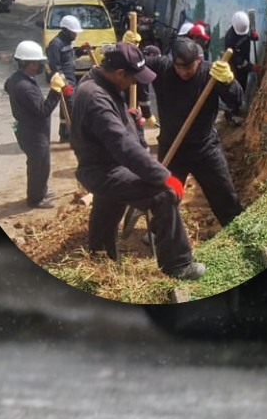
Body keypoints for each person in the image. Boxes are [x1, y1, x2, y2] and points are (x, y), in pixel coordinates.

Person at [70, 42, 205, 279]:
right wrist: (164, 177)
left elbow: (113, 127)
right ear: (120, 73)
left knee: (110, 203)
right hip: (103, 169)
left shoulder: (99, 81)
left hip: (104, 164)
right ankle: (179, 265)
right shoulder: (96, 98)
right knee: (163, 195)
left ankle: (101, 256)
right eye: (134, 78)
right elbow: (122, 146)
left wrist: (127, 118)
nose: (136, 83)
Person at [132, 31, 244, 228]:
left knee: (224, 194)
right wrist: (131, 50)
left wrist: (229, 82)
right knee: (166, 196)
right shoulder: (162, 67)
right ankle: (160, 233)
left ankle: (235, 229)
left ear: (198, 61)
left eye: (189, 67)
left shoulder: (210, 74)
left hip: (205, 148)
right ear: (172, 62)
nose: (184, 72)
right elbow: (135, 66)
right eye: (180, 68)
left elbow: (236, 102)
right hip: (172, 148)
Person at [5, 40, 68, 209]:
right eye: (38, 63)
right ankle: (35, 199)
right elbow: (43, 111)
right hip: (33, 132)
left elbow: (6, 87)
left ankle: (41, 190)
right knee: (38, 165)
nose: (41, 66)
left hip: (29, 129)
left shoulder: (15, 79)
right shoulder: (25, 87)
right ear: (28, 64)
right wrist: (55, 90)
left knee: (41, 163)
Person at [47, 14, 91, 141]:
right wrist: (65, 85)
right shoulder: (55, 44)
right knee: (72, 108)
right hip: (65, 82)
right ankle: (74, 135)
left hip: (71, 79)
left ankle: (65, 134)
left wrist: (81, 50)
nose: (76, 35)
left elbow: (69, 59)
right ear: (65, 30)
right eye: (74, 32)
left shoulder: (67, 42)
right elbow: (55, 67)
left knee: (66, 108)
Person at [222, 11, 260, 123]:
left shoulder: (244, 28)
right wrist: (251, 67)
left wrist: (254, 37)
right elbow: (237, 60)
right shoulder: (230, 39)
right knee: (235, 90)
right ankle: (230, 115)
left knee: (242, 88)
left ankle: (236, 110)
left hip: (244, 64)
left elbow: (250, 37)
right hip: (235, 67)